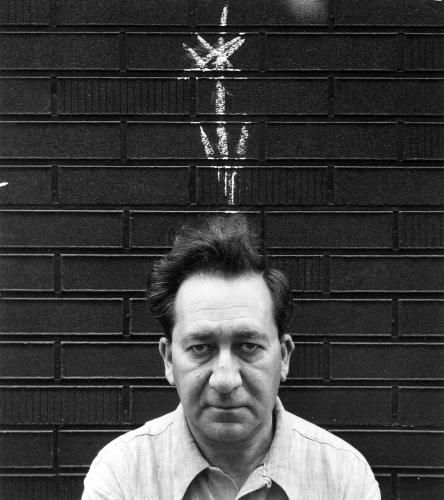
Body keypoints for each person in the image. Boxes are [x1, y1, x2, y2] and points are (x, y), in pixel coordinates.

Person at [82, 215, 381, 500]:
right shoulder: (122, 476)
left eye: (248, 346)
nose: (225, 380)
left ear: (284, 356)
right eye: (201, 348)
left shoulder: (344, 478)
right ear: (169, 360)